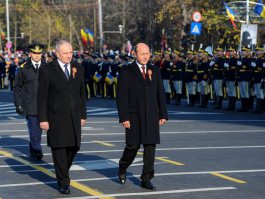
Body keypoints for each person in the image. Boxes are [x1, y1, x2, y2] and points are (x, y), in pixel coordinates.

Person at [116, 43, 168, 190]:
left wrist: (163, 113)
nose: (145, 56)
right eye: (142, 53)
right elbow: (121, 97)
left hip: (151, 114)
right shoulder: (126, 71)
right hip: (134, 115)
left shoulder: (155, 70)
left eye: (147, 53)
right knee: (132, 146)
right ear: (135, 54)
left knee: (150, 147)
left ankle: (146, 178)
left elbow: (160, 93)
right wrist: (124, 117)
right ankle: (122, 166)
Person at [37, 39, 87, 194]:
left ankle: (62, 170)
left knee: (74, 147)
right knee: (59, 149)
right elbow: (42, 96)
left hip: (74, 115)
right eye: (65, 53)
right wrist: (43, 119)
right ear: (57, 53)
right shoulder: (47, 70)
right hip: (56, 116)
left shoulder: (78, 68)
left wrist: (83, 114)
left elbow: (82, 93)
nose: (69, 55)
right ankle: (64, 182)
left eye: (71, 52)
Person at [13, 43, 45, 160]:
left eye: (39, 53)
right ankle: (37, 150)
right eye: (34, 53)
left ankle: (33, 146)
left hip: (44, 105)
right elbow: (17, 87)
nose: (37, 56)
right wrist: (18, 104)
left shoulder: (47, 68)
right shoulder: (24, 68)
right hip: (30, 105)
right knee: (33, 129)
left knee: (39, 130)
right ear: (30, 54)